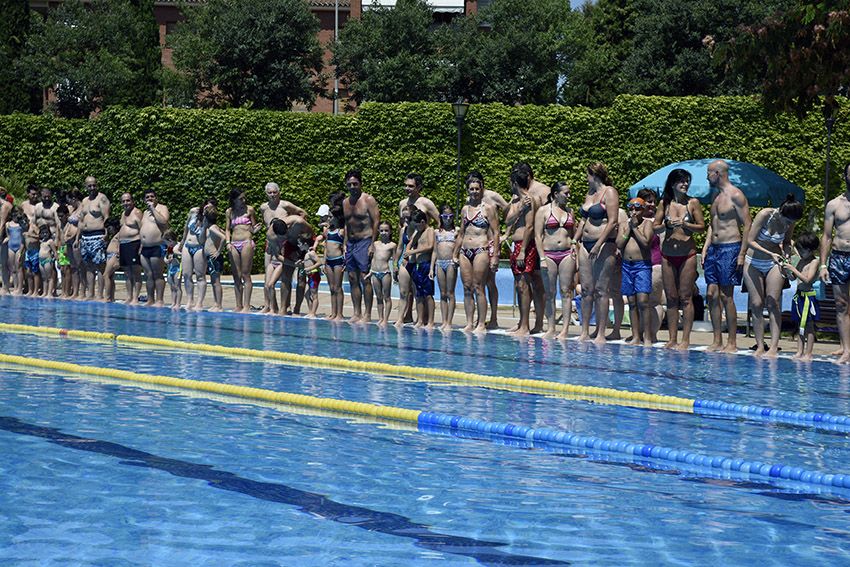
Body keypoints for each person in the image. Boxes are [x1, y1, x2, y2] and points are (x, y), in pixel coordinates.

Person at [743, 194, 803, 357]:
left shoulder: (789, 222)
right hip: (753, 260)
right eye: (788, 221)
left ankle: (775, 346)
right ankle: (760, 345)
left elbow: (787, 242)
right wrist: (769, 253)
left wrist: (787, 254)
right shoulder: (765, 215)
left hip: (774, 263)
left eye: (792, 222)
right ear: (782, 212)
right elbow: (750, 240)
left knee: (773, 302)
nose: (790, 224)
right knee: (756, 303)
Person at [702, 159, 752, 353]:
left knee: (726, 296)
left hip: (730, 248)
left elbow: (747, 224)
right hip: (714, 249)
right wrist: (706, 246)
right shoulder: (715, 195)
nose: (707, 176)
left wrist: (742, 253)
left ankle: (732, 342)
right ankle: (717, 340)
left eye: (709, 172)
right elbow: (712, 224)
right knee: (711, 294)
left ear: (718, 173)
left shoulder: (736, 195)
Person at [653, 168, 705, 350]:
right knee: (671, 297)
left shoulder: (693, 203)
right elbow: (654, 227)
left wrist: (685, 224)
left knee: (686, 297)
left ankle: (685, 340)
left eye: (687, 181)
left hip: (687, 255)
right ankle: (672, 338)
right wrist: (666, 225)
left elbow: (701, 227)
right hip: (668, 255)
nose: (685, 184)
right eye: (681, 181)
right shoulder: (664, 204)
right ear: (673, 183)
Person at [578, 162, 621, 344]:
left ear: (593, 175)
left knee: (601, 290)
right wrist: (575, 240)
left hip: (603, 245)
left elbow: (612, 221)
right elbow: (583, 220)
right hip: (584, 245)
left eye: (587, 175)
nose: (585, 178)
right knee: (587, 290)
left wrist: (599, 244)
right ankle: (585, 331)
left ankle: (601, 332)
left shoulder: (609, 192)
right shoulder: (589, 193)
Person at [453, 174, 499, 333]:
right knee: (467, 287)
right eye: (471, 189)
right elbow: (461, 233)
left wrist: (495, 256)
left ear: (482, 189)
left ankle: (481, 323)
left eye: (477, 189)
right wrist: (455, 253)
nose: (474, 192)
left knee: (479, 286)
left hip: (481, 249)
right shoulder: (465, 209)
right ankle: (469, 322)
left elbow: (496, 232)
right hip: (465, 251)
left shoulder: (488, 208)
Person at [533, 181, 577, 340]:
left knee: (566, 292)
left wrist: (574, 247)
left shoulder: (570, 211)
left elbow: (573, 233)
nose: (569, 196)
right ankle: (551, 327)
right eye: (566, 193)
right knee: (550, 293)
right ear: (556, 194)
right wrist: (542, 257)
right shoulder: (543, 211)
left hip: (566, 254)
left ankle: (564, 329)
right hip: (549, 254)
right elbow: (537, 236)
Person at [505, 167, 544, 336]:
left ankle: (526, 326)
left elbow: (529, 226)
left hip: (525, 245)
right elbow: (507, 220)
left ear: (514, 183)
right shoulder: (518, 201)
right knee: (520, 285)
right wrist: (519, 209)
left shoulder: (530, 199)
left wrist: (522, 251)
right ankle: (523, 324)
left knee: (524, 285)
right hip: (518, 244)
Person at [259, 182, 306, 311]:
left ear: (279, 192)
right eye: (270, 193)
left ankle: (287, 305)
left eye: (275, 192)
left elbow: (302, 213)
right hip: (271, 243)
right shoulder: (263, 208)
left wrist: (294, 231)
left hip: (285, 243)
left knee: (286, 276)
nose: (273, 195)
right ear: (266, 193)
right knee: (267, 275)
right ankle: (269, 305)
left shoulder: (285, 205)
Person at [821, 163, 850, 364]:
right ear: (846, 176)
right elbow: (826, 236)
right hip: (839, 257)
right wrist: (823, 264)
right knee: (841, 304)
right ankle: (847, 348)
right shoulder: (834, 205)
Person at [342, 170, 380, 323]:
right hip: (351, 243)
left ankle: (367, 314)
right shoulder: (345, 202)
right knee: (352, 278)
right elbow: (347, 224)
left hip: (365, 241)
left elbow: (376, 221)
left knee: (365, 278)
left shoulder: (368, 200)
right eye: (350, 184)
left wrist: (372, 244)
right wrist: (345, 243)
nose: (352, 187)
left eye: (355, 184)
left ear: (361, 183)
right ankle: (356, 312)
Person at [619, 197, 654, 346]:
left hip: (642, 266)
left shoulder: (647, 224)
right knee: (632, 302)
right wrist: (629, 228)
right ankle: (635, 336)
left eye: (637, 208)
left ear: (643, 210)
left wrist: (634, 228)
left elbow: (646, 243)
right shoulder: (623, 224)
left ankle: (646, 337)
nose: (634, 211)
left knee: (643, 301)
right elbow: (619, 243)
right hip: (627, 265)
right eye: (631, 208)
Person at [476, 172, 509, 329]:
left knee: (490, 281)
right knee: (478, 283)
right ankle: (480, 318)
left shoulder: (493, 196)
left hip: (491, 243)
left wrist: (506, 234)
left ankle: (494, 317)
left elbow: (511, 211)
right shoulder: (471, 199)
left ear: (482, 184)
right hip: (478, 245)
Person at [782, 233, 820, 361]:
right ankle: (799, 351)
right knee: (799, 325)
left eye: (803, 250)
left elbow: (807, 279)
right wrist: (786, 269)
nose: (801, 253)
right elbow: (793, 277)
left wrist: (793, 268)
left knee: (809, 325)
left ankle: (808, 353)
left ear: (811, 249)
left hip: (809, 298)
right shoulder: (802, 261)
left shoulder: (814, 262)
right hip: (799, 297)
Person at [225, 188, 260, 313]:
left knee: (246, 274)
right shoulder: (229, 212)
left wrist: (255, 230)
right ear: (234, 200)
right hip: (234, 243)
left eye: (244, 198)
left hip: (246, 242)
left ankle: (246, 305)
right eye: (240, 199)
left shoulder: (249, 209)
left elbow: (252, 228)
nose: (243, 200)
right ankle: (238, 305)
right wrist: (228, 242)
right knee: (236, 276)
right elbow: (228, 229)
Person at [402, 209, 436, 329]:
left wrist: (413, 251)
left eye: (417, 224)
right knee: (419, 294)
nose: (416, 227)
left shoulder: (430, 230)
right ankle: (420, 320)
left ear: (422, 222)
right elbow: (410, 243)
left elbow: (430, 246)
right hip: (417, 266)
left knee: (428, 294)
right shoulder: (419, 232)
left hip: (426, 265)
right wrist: (408, 250)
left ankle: (430, 321)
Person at [78, 176, 110, 300]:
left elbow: (106, 217)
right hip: (85, 237)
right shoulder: (85, 201)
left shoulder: (102, 198)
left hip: (98, 235)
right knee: (89, 266)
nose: (92, 188)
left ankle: (100, 294)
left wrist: (107, 234)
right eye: (89, 186)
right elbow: (81, 220)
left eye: (94, 185)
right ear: (85, 186)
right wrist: (77, 238)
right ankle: (90, 293)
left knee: (100, 266)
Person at [638, 189, 664, 343]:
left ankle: (652, 334)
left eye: (654, 201)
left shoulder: (657, 222)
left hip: (655, 264)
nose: (652, 205)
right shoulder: (633, 220)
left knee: (654, 301)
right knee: (638, 301)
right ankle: (640, 333)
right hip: (636, 264)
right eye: (649, 201)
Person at [180, 199, 215, 311]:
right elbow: (186, 227)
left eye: (209, 207)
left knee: (200, 276)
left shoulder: (210, 221)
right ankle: (190, 300)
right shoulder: (193, 211)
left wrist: (204, 224)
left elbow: (202, 239)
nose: (206, 208)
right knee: (186, 274)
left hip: (199, 247)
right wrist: (182, 241)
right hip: (187, 245)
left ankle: (199, 302)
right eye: (206, 206)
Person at [139, 188, 171, 307]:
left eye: (152, 196)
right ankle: (150, 299)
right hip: (145, 247)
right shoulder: (145, 213)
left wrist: (153, 208)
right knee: (148, 275)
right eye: (147, 197)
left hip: (157, 246)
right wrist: (141, 245)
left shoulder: (162, 208)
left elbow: (163, 222)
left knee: (158, 274)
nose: (150, 199)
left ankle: (160, 300)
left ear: (156, 198)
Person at [432, 205, 459, 331]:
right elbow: (434, 251)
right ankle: (443, 321)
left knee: (450, 293)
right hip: (439, 262)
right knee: (442, 294)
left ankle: (449, 321)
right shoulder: (436, 232)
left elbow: (459, 247)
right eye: (445, 216)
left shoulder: (456, 231)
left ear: (453, 217)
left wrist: (456, 257)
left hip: (450, 263)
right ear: (441, 217)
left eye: (450, 216)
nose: (447, 219)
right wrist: (431, 267)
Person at [118, 193, 144, 305]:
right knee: (127, 273)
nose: (126, 203)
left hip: (134, 243)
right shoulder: (123, 214)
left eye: (128, 201)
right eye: (123, 201)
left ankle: (135, 297)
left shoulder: (137, 212)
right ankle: (129, 296)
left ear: (133, 201)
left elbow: (143, 230)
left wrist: (141, 246)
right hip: (123, 245)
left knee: (136, 272)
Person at [370, 221, 396, 327]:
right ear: (378, 231)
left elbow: (394, 260)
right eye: (381, 231)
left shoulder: (392, 245)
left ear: (390, 232)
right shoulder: (375, 244)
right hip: (375, 272)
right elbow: (373, 258)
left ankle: (385, 319)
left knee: (387, 297)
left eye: (386, 230)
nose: (384, 232)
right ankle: (380, 317)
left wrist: (395, 271)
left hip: (385, 273)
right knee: (378, 296)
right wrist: (370, 271)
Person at [395, 205, 417, 327]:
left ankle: (420, 319)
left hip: (416, 263)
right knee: (403, 292)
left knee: (418, 293)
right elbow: (399, 247)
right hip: (404, 263)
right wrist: (395, 264)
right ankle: (400, 318)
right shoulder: (404, 230)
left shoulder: (420, 230)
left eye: (408, 218)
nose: (406, 221)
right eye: (404, 218)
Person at [323, 208, 346, 321]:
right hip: (328, 261)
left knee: (338, 287)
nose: (329, 219)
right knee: (331, 288)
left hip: (338, 260)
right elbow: (326, 247)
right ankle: (333, 313)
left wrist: (345, 261)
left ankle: (339, 314)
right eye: (328, 217)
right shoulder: (327, 231)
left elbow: (345, 247)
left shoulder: (341, 231)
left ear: (337, 218)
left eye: (331, 217)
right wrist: (323, 263)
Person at [263, 218, 289, 315]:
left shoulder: (285, 239)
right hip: (272, 262)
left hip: (280, 263)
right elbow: (269, 252)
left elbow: (281, 256)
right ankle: (274, 308)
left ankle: (274, 309)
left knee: (271, 284)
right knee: (267, 285)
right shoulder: (271, 238)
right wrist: (270, 246)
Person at [203, 208, 226, 312]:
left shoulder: (212, 228)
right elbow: (225, 234)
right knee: (214, 282)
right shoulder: (215, 227)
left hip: (214, 258)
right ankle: (216, 304)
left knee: (216, 282)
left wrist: (218, 251)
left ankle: (219, 305)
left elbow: (224, 238)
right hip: (212, 258)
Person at [299, 238, 322, 318]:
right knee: (307, 294)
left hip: (314, 276)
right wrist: (302, 263)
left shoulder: (311, 253)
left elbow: (319, 262)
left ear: (305, 244)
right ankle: (311, 312)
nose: (298, 245)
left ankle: (313, 313)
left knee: (314, 295)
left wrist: (309, 268)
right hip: (310, 276)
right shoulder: (307, 254)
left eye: (300, 244)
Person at [2, 208, 24, 295]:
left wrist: (22, 249)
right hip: (10, 246)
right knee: (12, 269)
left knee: (19, 268)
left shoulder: (21, 223)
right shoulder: (8, 224)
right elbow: (8, 236)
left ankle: (19, 288)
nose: (16, 215)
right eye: (14, 213)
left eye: (17, 213)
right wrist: (4, 241)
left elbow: (23, 237)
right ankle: (15, 287)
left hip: (19, 246)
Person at [102, 218, 121, 302]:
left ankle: (107, 297)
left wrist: (118, 256)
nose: (109, 231)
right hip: (110, 256)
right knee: (110, 277)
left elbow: (121, 244)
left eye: (109, 228)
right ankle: (111, 297)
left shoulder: (120, 234)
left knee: (105, 275)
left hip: (114, 256)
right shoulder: (113, 235)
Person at [163, 230, 183, 310]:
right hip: (171, 268)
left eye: (166, 242)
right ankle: (173, 302)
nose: (166, 244)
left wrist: (176, 254)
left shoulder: (178, 246)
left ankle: (178, 303)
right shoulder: (169, 247)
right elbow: (166, 256)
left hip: (178, 268)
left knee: (177, 286)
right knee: (172, 286)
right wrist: (166, 260)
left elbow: (183, 256)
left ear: (170, 240)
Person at [37, 225, 57, 298]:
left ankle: (49, 293)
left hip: (47, 260)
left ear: (49, 233)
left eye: (46, 233)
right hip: (41, 261)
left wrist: (57, 260)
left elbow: (55, 252)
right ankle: (45, 292)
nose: (45, 234)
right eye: (43, 233)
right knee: (44, 278)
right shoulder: (41, 241)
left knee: (50, 277)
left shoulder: (50, 241)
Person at [0, 185, 12, 294]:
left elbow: (2, 224)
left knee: (4, 263)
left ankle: (5, 287)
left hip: (4, 237)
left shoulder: (5, 206)